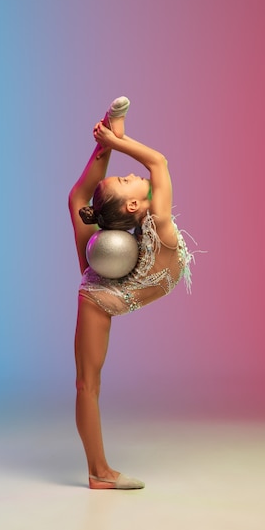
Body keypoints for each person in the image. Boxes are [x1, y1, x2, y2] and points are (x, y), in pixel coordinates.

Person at [68, 97, 195, 490]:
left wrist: (109, 138)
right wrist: (114, 139)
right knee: (87, 385)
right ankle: (98, 472)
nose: (131, 174)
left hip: (123, 275)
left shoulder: (155, 227)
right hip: (102, 292)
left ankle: (107, 136)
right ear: (135, 204)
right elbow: (158, 163)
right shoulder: (158, 223)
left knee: (76, 202)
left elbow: (150, 171)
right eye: (125, 180)